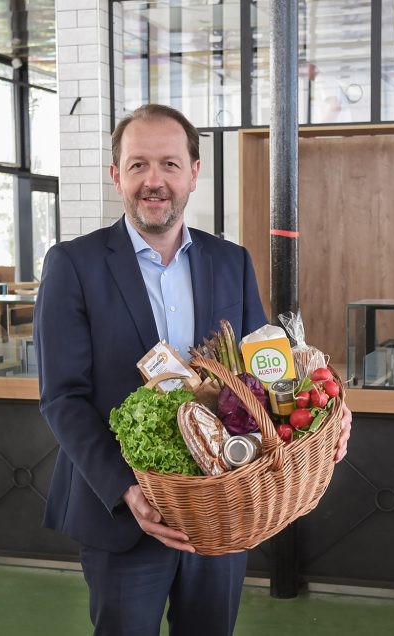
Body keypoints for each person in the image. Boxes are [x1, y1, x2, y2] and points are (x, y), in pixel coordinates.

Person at [35, 103, 352, 636]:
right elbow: (62, 397)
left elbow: (270, 372)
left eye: (169, 164)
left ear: (194, 173)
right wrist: (130, 491)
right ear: (116, 175)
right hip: (124, 514)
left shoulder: (229, 261)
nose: (153, 181)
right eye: (137, 165)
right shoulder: (74, 265)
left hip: (222, 508)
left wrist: (328, 411)